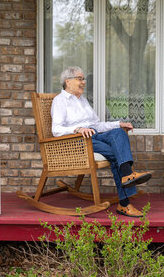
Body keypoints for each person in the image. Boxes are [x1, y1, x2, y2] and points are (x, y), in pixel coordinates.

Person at [51, 66, 152, 218]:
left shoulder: (82, 100)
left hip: (94, 134)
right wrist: (78, 129)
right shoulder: (60, 101)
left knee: (118, 133)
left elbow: (97, 125)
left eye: (83, 79)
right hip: (78, 141)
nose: (84, 82)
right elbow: (56, 129)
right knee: (116, 154)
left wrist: (118, 124)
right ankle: (125, 202)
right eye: (80, 79)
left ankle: (127, 175)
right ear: (68, 81)